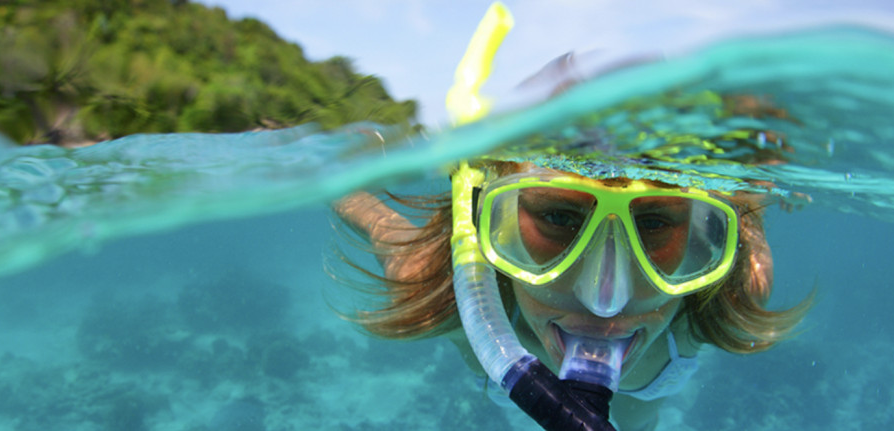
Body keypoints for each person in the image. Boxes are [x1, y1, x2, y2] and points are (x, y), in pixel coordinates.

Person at [331, 99, 813, 428]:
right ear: (483, 220)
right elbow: (369, 215)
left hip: (641, 394)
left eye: (654, 225)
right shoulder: (439, 283)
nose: (605, 301)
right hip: (514, 379)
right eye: (559, 217)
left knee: (639, 419)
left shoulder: (737, 286)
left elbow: (745, 215)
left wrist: (753, 191)